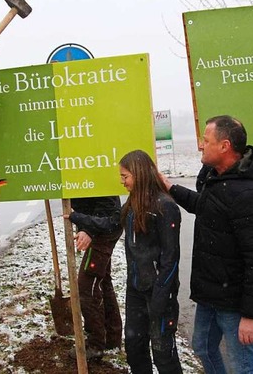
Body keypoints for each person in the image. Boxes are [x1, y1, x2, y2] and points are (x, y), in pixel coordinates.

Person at [161, 115, 253, 374]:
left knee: (243, 365)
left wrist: (250, 316)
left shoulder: (249, 194)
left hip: (234, 300)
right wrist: (169, 186)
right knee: (202, 347)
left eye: (206, 140)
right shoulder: (219, 179)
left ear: (224, 146)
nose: (201, 145)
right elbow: (204, 207)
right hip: (211, 293)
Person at [68, 150, 183, 373]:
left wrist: (160, 299)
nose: (122, 182)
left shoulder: (165, 207)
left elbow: (170, 259)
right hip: (136, 290)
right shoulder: (132, 204)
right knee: (135, 350)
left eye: (125, 176)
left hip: (159, 293)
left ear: (139, 174)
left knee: (163, 355)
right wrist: (77, 218)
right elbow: (112, 224)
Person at [66, 196, 123, 360]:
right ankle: (112, 337)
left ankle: (96, 344)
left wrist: (89, 230)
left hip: (102, 230)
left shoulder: (96, 173)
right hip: (99, 226)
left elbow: (107, 203)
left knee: (87, 285)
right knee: (103, 281)